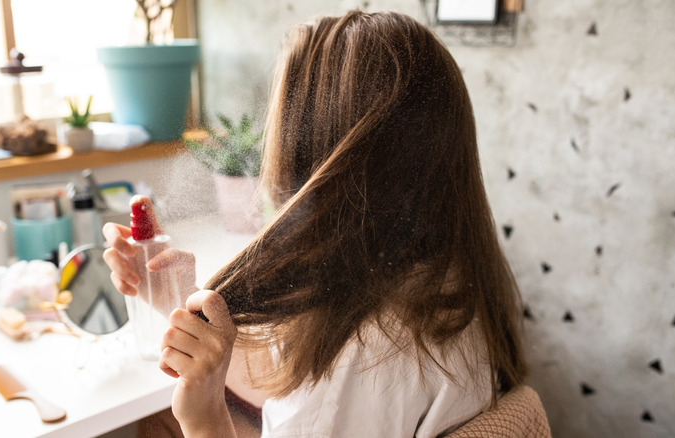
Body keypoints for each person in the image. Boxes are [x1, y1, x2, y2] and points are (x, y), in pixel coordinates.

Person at [103, 9, 529, 438]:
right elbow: (291, 376)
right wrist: (175, 298)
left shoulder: (364, 352)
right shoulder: (438, 283)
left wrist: (205, 420)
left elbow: (321, 389)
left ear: (315, 155)